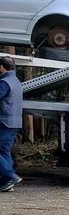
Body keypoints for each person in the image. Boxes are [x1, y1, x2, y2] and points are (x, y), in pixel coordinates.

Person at [0, 54, 24, 192]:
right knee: (4, 152)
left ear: (1, 67)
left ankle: (10, 175)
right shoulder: (15, 80)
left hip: (5, 122)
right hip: (14, 122)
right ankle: (7, 183)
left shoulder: (4, 83)